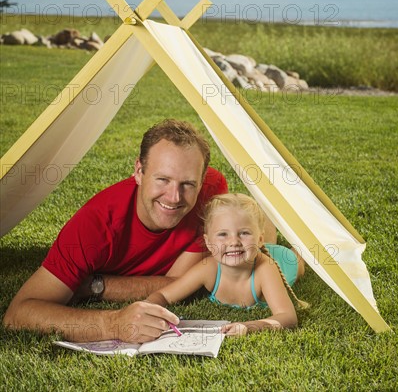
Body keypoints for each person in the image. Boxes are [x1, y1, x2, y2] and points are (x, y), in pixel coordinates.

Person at [3, 120, 230, 343]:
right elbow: (18, 315)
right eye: (162, 179)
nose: (174, 197)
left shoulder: (211, 190)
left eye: (188, 184)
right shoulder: (95, 224)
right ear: (139, 172)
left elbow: (183, 282)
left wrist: (95, 286)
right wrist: (114, 324)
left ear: (201, 182)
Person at [146, 193, 307, 336]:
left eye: (244, 233)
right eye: (223, 234)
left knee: (301, 257)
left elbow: (288, 317)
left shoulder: (266, 269)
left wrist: (249, 326)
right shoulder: (208, 268)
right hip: (255, 250)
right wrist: (147, 308)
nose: (233, 242)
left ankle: (300, 237)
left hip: (283, 260)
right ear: (208, 242)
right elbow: (163, 295)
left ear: (259, 239)